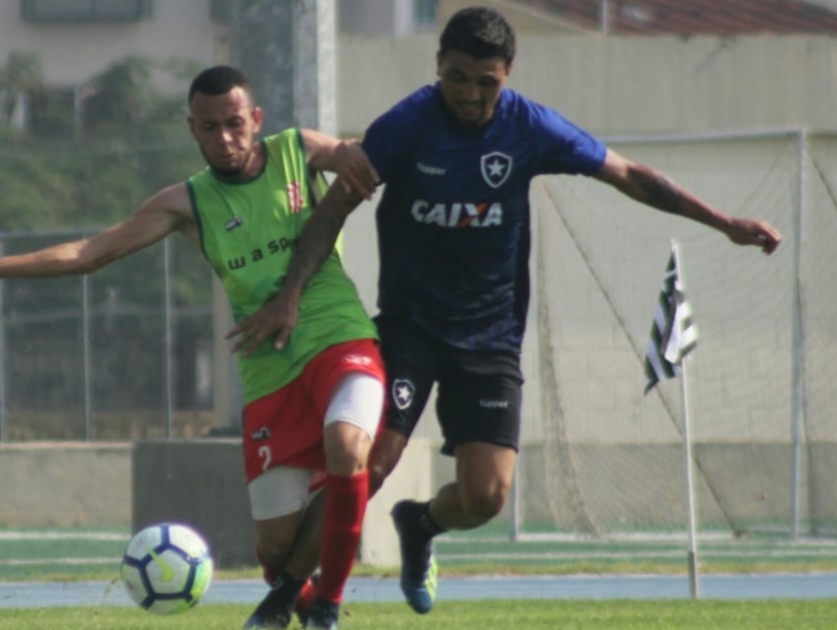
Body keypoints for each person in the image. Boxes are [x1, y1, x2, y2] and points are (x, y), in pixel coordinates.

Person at [239, 6, 783, 616]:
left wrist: (723, 222)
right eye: (458, 78)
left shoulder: (531, 129)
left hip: (490, 334)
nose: (470, 95)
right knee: (374, 460)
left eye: (486, 82)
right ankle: (287, 595)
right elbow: (334, 208)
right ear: (438, 65)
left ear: (509, 75)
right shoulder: (406, 125)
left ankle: (420, 526)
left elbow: (629, 174)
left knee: (486, 497)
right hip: (409, 325)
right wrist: (289, 294)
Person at [0, 65, 386, 630]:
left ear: (256, 120)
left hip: (338, 337)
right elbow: (90, 252)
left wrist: (352, 154)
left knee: (348, 448)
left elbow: (351, 156)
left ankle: (325, 606)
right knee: (277, 552)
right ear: (192, 129)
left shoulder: (296, 152)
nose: (225, 139)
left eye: (235, 124)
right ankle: (296, 598)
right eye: (210, 128)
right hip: (266, 370)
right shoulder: (187, 203)